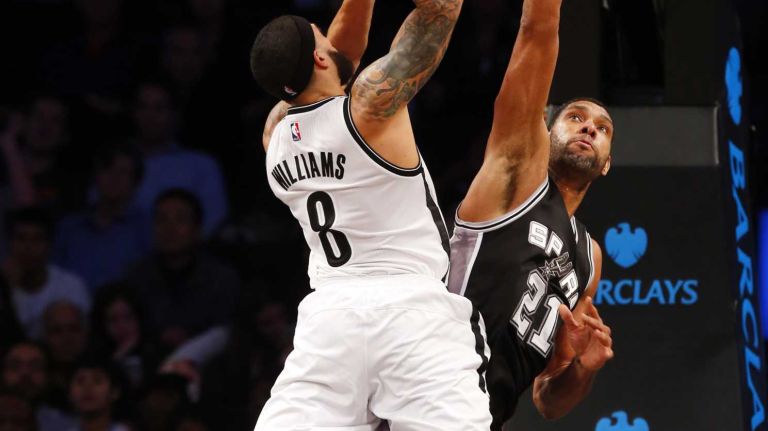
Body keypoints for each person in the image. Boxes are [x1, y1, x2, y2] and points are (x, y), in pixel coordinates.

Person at [250, 0, 491, 429]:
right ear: (320, 57)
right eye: (322, 35)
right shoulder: (369, 107)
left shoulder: (275, 135)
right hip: (410, 312)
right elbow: (442, 11)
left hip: (329, 323)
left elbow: (339, 59)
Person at [447, 0, 614, 428]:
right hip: (433, 378)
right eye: (575, 117)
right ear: (544, 127)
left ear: (608, 162)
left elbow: (549, 400)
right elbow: (537, 31)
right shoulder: (517, 172)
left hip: (484, 417)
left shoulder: (590, 258)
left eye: (602, 128)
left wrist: (583, 368)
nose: (589, 128)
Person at [2, 207, 90, 339]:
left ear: (49, 246)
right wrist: (7, 290)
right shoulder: (3, 288)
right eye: (21, 239)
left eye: (36, 239)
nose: (28, 247)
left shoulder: (70, 287)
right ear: (10, 244)